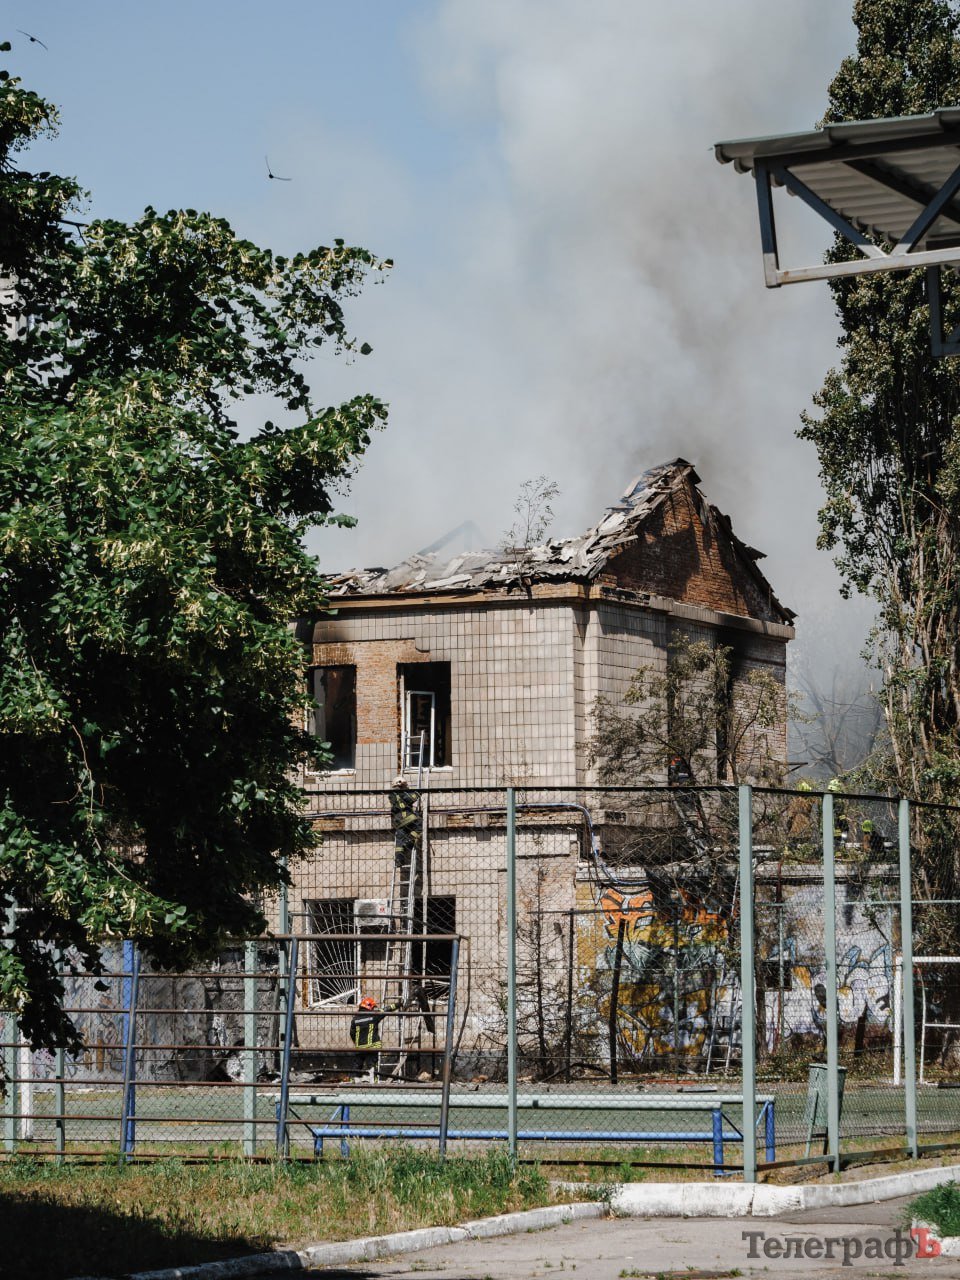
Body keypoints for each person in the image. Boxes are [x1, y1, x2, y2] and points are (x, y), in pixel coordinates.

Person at [350, 995, 400, 1078]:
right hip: (372, 1047)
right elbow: (387, 1009)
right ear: (369, 1007)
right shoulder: (374, 1015)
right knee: (372, 1066)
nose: (373, 1009)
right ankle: (373, 1081)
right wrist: (398, 1004)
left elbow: (352, 1034)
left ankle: (354, 1081)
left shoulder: (355, 1019)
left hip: (360, 1048)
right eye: (373, 1007)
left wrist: (357, 1043)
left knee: (357, 1066)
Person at [389, 775, 421, 867]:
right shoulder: (403, 793)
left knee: (399, 841)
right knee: (419, 825)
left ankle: (399, 860)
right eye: (405, 785)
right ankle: (410, 840)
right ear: (401, 785)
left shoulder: (391, 795)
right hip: (407, 817)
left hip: (398, 821)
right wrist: (419, 792)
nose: (406, 787)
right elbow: (411, 798)